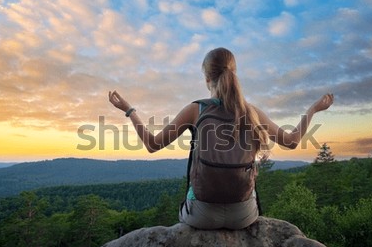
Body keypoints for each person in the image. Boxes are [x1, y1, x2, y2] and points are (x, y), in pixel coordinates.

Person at [109, 47, 334, 229]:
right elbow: (292, 140)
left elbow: (152, 144)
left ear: (207, 78)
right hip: (244, 216)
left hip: (200, 216)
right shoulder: (251, 112)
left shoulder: (196, 110)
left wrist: (129, 110)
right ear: (234, 73)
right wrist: (313, 109)